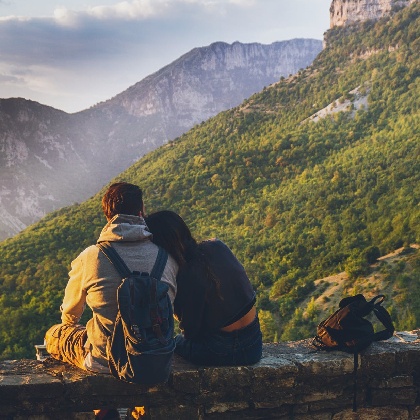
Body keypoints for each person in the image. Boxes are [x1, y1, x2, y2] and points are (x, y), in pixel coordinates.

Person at [44, 182, 178, 373]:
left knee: (54, 334)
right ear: (141, 212)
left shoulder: (91, 256)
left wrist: (73, 328)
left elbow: (70, 312)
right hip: (154, 357)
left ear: (107, 216)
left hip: (104, 359)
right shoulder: (167, 258)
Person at [145, 210, 262, 366]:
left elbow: (191, 333)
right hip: (255, 342)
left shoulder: (186, 275)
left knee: (174, 343)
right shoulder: (217, 245)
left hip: (223, 350)